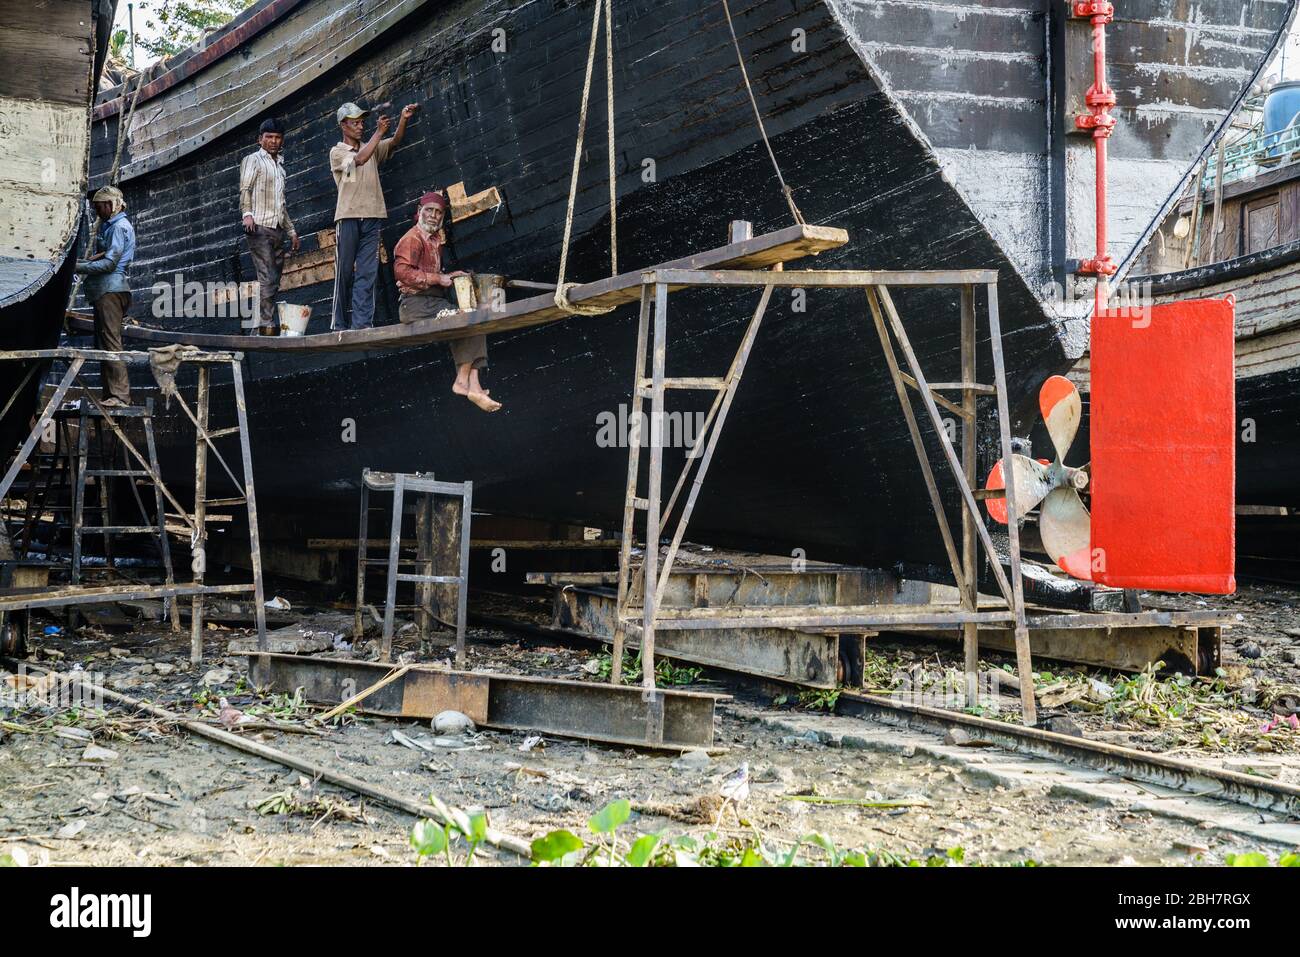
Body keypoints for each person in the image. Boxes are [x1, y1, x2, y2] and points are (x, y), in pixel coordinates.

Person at [393, 192, 500, 412]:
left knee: (475, 317)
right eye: (429, 210)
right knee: (469, 317)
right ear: (419, 213)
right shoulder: (413, 238)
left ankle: (475, 386)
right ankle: (462, 381)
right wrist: (438, 278)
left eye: (438, 212)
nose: (433, 215)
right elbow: (402, 272)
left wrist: (450, 275)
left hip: (432, 303)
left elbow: (431, 274)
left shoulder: (434, 240)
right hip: (415, 306)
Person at [328, 100, 418, 330]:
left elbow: (395, 141)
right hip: (348, 217)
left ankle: (361, 324)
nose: (360, 127)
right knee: (344, 273)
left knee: (367, 274)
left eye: (362, 123)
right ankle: (338, 325)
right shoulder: (338, 152)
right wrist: (378, 132)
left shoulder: (372, 147)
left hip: (372, 215)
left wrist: (402, 119)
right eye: (355, 123)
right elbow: (359, 160)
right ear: (343, 125)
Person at [74, 186, 136, 407]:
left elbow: (110, 263)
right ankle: (110, 395)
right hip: (105, 291)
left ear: (111, 205)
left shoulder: (119, 227)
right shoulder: (112, 226)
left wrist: (77, 268)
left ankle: (120, 396)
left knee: (111, 343)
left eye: (99, 207)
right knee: (103, 344)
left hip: (111, 291)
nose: (97, 212)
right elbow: (103, 257)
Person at [239, 117, 299, 335]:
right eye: (269, 137)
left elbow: (281, 205)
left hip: (277, 229)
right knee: (268, 276)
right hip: (258, 227)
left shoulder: (280, 168)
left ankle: (260, 324)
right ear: (260, 139)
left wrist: (291, 231)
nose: (273, 141)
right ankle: (266, 326)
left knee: (274, 279)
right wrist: (247, 214)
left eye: (277, 138)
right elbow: (245, 189)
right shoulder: (253, 160)